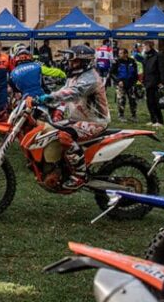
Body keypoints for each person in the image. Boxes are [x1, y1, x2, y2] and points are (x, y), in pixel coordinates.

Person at [38, 44, 110, 191]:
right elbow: (64, 93)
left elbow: (73, 93)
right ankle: (57, 166)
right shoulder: (74, 76)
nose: (70, 64)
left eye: (74, 61)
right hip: (78, 119)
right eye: (70, 61)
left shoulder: (91, 78)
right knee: (48, 129)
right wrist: (56, 110)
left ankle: (80, 175)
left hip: (95, 121)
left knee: (65, 136)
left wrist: (50, 97)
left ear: (85, 62)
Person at [142, 40, 164, 127]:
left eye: (144, 46)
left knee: (155, 102)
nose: (143, 48)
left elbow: (162, 69)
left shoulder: (158, 55)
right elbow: (145, 70)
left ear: (149, 46)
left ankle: (159, 120)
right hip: (148, 82)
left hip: (155, 82)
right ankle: (153, 119)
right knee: (149, 102)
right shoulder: (146, 57)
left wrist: (162, 81)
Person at [110, 48, 139, 122]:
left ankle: (134, 115)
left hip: (131, 83)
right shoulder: (117, 62)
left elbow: (135, 72)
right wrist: (118, 81)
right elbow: (112, 73)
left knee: (133, 100)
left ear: (126, 54)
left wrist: (135, 82)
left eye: (121, 53)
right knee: (121, 100)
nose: (119, 54)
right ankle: (121, 115)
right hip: (121, 84)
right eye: (119, 53)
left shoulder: (132, 61)